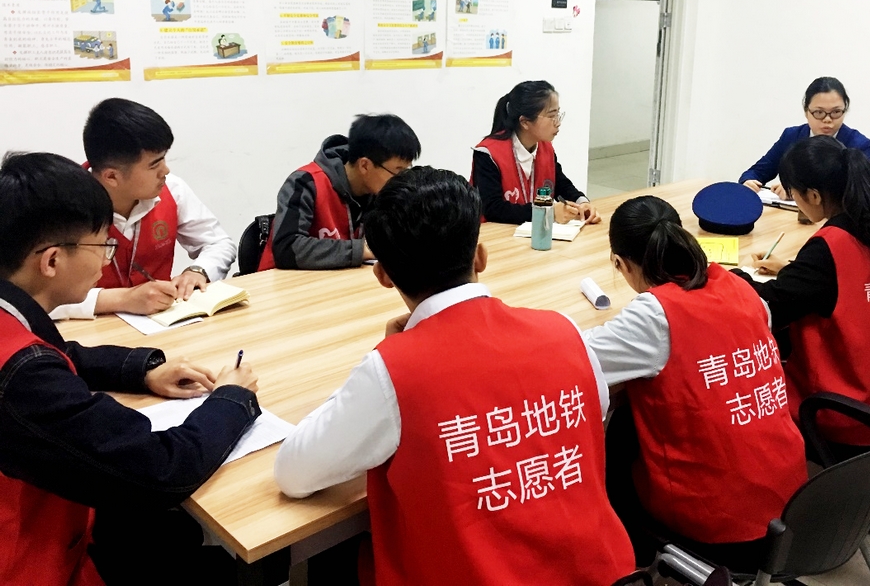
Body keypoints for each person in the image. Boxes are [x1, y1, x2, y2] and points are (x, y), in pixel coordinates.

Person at [274, 167, 635, 584]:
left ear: (383, 276)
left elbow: (293, 473)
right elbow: (596, 410)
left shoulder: (394, 371)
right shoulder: (565, 331)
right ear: (480, 256)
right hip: (606, 575)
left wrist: (385, 360)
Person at [0, 151, 260, 586]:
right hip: (32, 560)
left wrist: (141, 369)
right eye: (102, 245)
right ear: (51, 261)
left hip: (50, 516)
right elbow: (160, 470)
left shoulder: (14, 322)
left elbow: (59, 353)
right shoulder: (24, 377)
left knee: (173, 536)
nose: (106, 259)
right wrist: (232, 399)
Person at [584, 195, 806, 570]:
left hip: (727, 526)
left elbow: (577, 360)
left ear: (621, 264)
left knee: (614, 439)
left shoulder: (655, 315)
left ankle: (629, 561)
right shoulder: (739, 286)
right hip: (793, 504)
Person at [734, 136, 870, 446]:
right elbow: (849, 282)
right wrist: (795, 270)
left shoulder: (830, 247)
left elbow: (770, 307)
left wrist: (734, 277)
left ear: (814, 195)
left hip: (841, 412)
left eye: (794, 193)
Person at [50, 98, 237, 320]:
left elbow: (218, 243)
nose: (165, 171)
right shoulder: (61, 205)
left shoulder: (172, 189)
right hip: (91, 329)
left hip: (163, 322)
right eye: (154, 165)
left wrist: (198, 271)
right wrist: (121, 299)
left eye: (163, 159)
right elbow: (37, 296)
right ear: (112, 176)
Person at [258, 114, 421, 271]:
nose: (401, 179)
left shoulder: (379, 192)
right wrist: (361, 250)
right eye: (398, 171)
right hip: (285, 284)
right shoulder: (305, 183)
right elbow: (287, 247)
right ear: (364, 165)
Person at [472, 80, 600, 225]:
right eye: (551, 116)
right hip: (497, 232)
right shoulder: (488, 153)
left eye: (558, 114)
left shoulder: (545, 147)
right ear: (525, 122)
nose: (558, 122)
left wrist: (582, 202)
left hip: (535, 231)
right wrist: (549, 212)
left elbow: (561, 184)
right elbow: (493, 209)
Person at [740, 77, 870, 199]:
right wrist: (748, 181)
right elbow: (758, 171)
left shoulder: (860, 145)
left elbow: (859, 194)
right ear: (806, 112)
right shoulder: (791, 136)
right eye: (819, 112)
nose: (827, 119)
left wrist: (798, 192)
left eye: (836, 112)